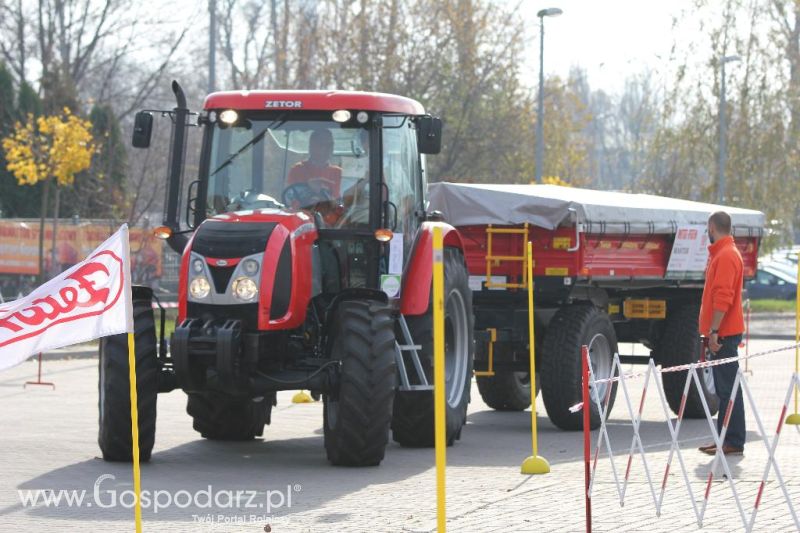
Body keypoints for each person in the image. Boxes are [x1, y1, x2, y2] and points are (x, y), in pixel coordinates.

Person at [698, 211, 746, 456]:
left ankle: (733, 441)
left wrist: (714, 331)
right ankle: (725, 438)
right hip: (723, 332)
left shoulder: (726, 256)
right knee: (724, 389)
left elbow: (722, 298)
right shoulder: (724, 253)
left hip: (724, 333)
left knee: (728, 389)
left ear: (712, 227)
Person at [286, 128, 342, 198]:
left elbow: (344, 202)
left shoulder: (339, 173)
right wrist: (308, 188)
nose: (326, 148)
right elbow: (291, 198)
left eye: (330, 145)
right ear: (311, 147)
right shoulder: (298, 170)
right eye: (321, 144)